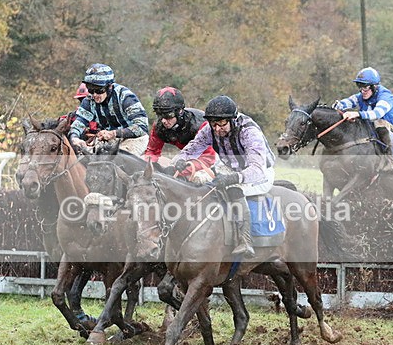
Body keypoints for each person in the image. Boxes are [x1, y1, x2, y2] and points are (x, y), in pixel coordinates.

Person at [173, 95, 275, 257]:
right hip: (229, 168)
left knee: (233, 189)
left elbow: (257, 169)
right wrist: (180, 160)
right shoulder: (210, 129)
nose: (217, 129)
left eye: (222, 124)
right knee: (201, 182)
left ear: (232, 120)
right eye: (214, 124)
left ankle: (245, 240)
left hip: (260, 173)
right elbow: (193, 147)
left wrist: (233, 179)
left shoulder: (249, 132)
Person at [332, 67, 393, 174]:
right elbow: (347, 102)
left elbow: (377, 114)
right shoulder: (362, 95)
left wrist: (356, 113)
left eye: (365, 86)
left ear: (374, 86)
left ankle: (390, 163)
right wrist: (336, 106)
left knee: (378, 121)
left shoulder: (385, 96)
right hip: (374, 131)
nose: (362, 90)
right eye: (359, 86)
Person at [67, 63, 149, 156]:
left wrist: (113, 133)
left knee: (117, 160)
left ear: (109, 86)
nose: (94, 95)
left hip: (134, 139)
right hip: (108, 140)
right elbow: (78, 123)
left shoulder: (126, 97)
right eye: (90, 90)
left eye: (99, 90)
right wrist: (75, 138)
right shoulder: (89, 100)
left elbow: (142, 127)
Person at [143, 86, 217, 184]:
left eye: (168, 115)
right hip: (187, 154)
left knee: (197, 178)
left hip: (216, 156)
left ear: (180, 111)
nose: (164, 120)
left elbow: (208, 158)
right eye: (159, 115)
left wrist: (179, 171)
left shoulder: (200, 124)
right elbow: (152, 152)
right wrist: (149, 169)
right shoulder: (159, 125)